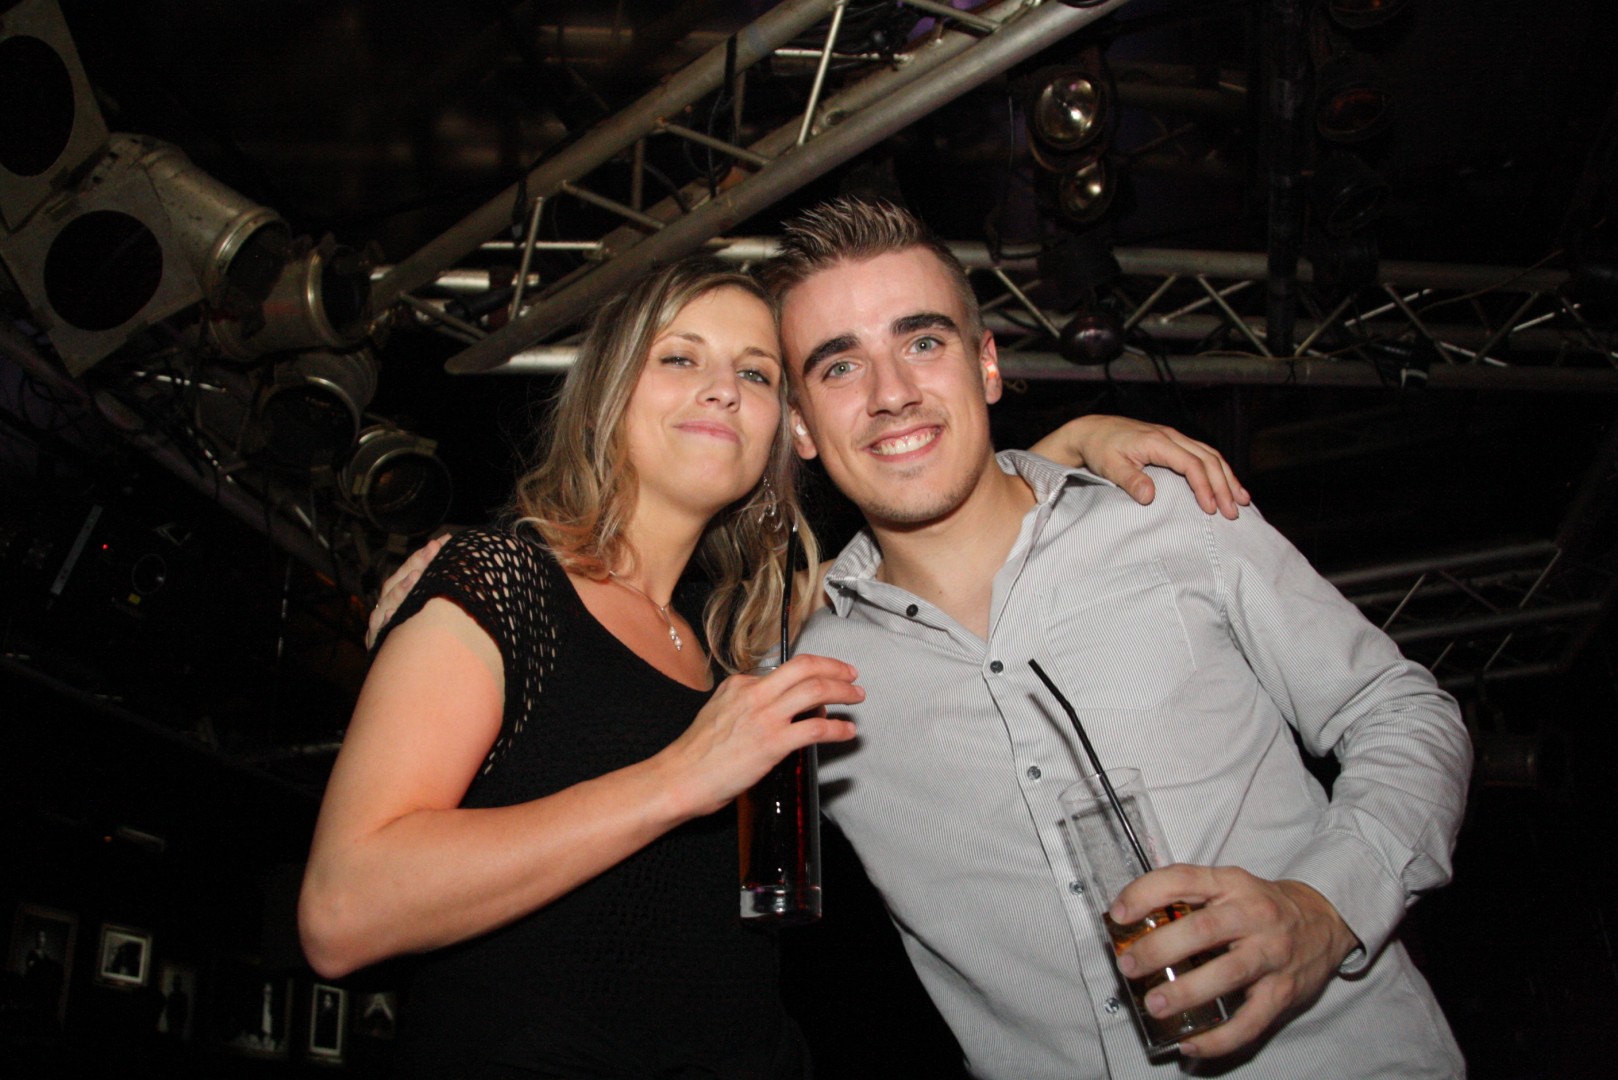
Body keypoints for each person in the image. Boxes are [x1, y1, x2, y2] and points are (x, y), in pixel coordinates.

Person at [302, 254, 1242, 1080]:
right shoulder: (506, 583)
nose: (722, 390)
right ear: (610, 392)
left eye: (754, 374)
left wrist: (1057, 451)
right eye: (681, 359)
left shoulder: (745, 644)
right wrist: (677, 779)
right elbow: (344, 911)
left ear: (780, 437)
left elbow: (927, 537)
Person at [765, 199, 1471, 1079]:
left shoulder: (1166, 514)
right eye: (839, 366)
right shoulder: (796, 682)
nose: (890, 392)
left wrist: (1325, 908)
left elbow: (1403, 714)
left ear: (987, 365)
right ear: (800, 426)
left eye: (923, 342)